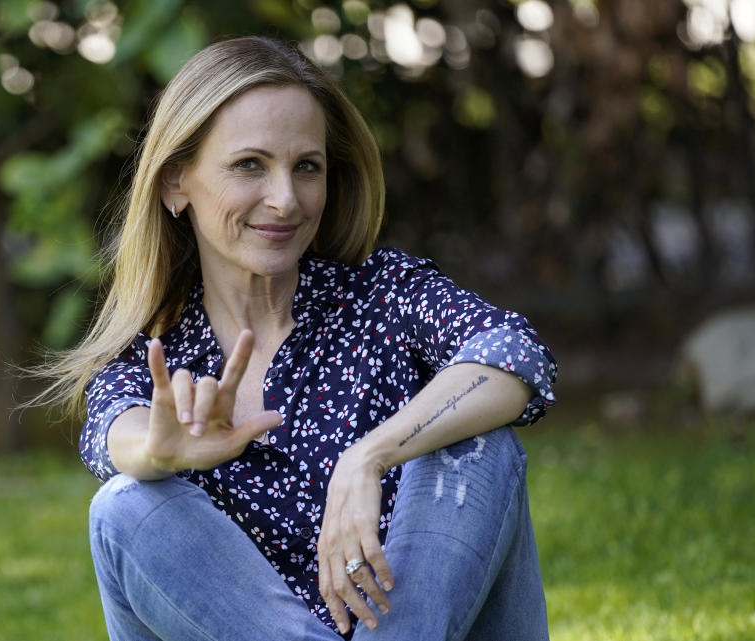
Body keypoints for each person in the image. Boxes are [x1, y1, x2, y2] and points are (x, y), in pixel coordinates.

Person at [44, 36, 556, 640]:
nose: (285, 200)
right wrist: (161, 453)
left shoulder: (381, 295)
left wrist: (370, 456)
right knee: (124, 506)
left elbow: (514, 355)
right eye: (249, 165)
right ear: (175, 183)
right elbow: (115, 436)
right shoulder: (150, 360)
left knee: (478, 446)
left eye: (306, 167)